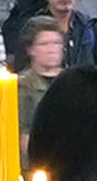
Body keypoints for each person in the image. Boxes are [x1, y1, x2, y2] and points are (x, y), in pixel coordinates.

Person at [17, 17, 64, 155]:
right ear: (31, 49)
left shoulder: (73, 82)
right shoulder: (22, 86)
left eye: (56, 43)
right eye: (44, 44)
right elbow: (24, 133)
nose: (52, 49)